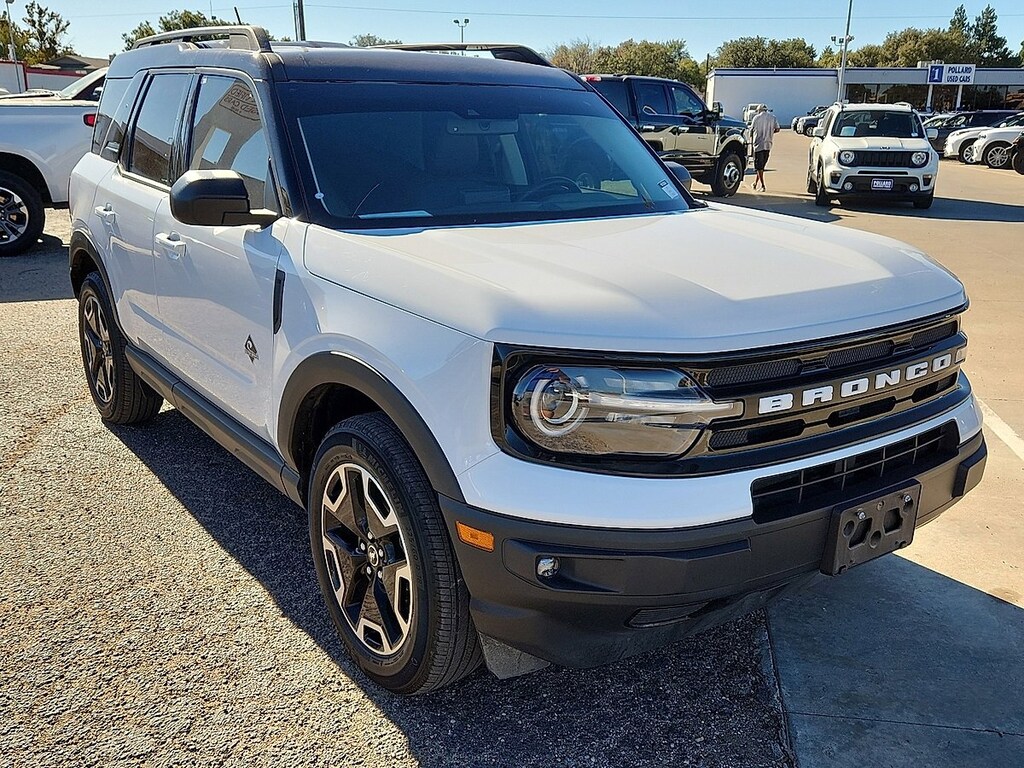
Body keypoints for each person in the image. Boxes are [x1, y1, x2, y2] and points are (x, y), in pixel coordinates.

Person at [749, 104, 780, 192]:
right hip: (768, 144)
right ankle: (755, 183)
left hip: (758, 144)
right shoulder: (773, 117)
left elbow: (751, 130)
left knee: (759, 167)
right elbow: (777, 129)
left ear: (759, 110)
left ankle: (763, 185)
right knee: (762, 166)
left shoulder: (756, 118)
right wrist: (770, 133)